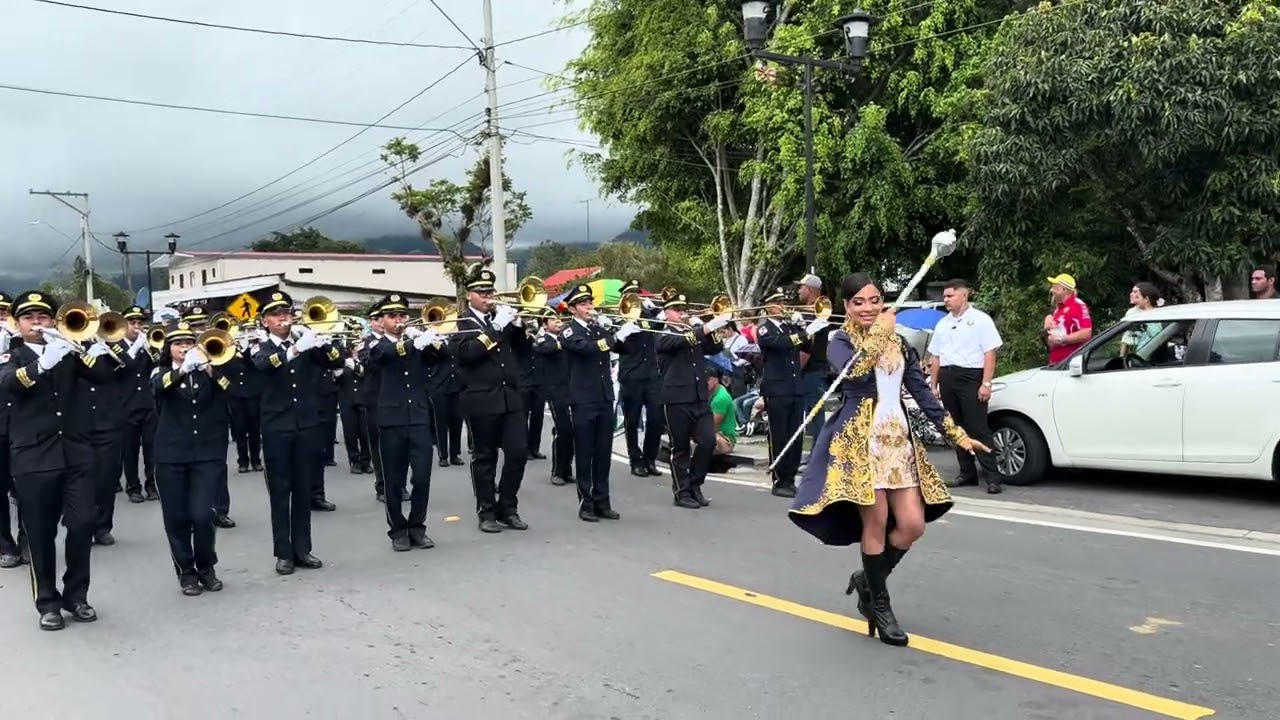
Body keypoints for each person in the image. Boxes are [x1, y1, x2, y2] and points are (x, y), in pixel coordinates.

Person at [788, 274, 990, 647]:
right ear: (846, 306)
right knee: (877, 522)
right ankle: (880, 606)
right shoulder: (839, 340)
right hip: (860, 444)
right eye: (859, 302)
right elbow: (856, 371)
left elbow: (922, 393)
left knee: (913, 524)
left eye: (874, 300)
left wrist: (957, 435)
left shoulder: (898, 343)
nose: (868, 308)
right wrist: (881, 332)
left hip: (898, 442)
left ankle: (868, 580)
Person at [0, 290, 117, 630]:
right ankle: (47, 603)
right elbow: (9, 386)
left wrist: (92, 346)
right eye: (29, 318)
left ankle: (76, 595)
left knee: (82, 524)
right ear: (18, 323)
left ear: (53, 320)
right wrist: (43, 362)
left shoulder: (68, 351)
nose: (37, 323)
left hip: (76, 453)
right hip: (34, 458)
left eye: (43, 317)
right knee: (40, 534)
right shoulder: (12, 355)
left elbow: (104, 377)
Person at [252, 290, 342, 575]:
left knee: (303, 490)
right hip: (277, 427)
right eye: (277, 315)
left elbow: (336, 362)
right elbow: (264, 366)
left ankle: (303, 549)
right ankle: (283, 553)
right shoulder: (258, 345)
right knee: (280, 492)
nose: (283, 319)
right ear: (265, 321)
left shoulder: (306, 344)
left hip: (306, 425)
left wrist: (324, 343)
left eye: (287, 314)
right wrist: (295, 349)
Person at [151, 321, 230, 596]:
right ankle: (186, 572)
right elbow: (158, 388)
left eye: (188, 343)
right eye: (178, 344)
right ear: (169, 349)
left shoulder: (210, 373)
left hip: (205, 454)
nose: (184, 348)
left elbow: (230, 389)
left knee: (202, 514)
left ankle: (207, 567)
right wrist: (183, 370)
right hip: (170, 455)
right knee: (176, 517)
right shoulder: (161, 371)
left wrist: (207, 367)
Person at [450, 266, 531, 534]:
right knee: (485, 458)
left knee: (518, 452)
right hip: (482, 399)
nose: (488, 297)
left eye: (490, 292)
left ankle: (508, 506)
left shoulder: (502, 319)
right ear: (469, 295)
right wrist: (496, 327)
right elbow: (469, 354)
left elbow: (523, 349)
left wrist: (518, 325)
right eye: (482, 292)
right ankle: (486, 511)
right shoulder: (462, 323)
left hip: (510, 397)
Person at [369, 294, 445, 551]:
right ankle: (398, 529)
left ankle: (417, 526)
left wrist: (434, 340)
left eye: (402, 315)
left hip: (419, 418)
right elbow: (387, 355)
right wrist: (416, 342)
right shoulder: (377, 345)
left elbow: (443, 358)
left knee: (422, 477)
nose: (399, 321)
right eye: (392, 316)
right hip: (391, 420)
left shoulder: (415, 342)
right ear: (382, 321)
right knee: (394, 479)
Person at [560, 284, 638, 521]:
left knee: (603, 452)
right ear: (573, 308)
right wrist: (615, 336)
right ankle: (586, 504)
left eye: (590, 303)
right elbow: (587, 350)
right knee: (585, 452)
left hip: (604, 397)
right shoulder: (569, 332)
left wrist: (620, 329)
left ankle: (603, 501)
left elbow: (624, 349)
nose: (589, 307)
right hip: (582, 399)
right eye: (583, 304)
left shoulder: (597, 329)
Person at [926, 279, 1003, 493]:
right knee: (955, 426)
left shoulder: (980, 320)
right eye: (944, 297)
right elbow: (936, 357)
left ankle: (992, 477)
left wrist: (986, 383)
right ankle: (967, 473)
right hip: (948, 376)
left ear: (964, 295)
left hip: (971, 376)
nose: (946, 300)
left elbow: (990, 353)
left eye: (950, 296)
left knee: (978, 427)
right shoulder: (943, 323)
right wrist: (934, 385)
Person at [655, 292, 731, 509]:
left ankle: (695, 483)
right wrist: (704, 328)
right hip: (676, 399)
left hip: (699, 397)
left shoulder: (693, 332)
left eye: (684, 310)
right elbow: (681, 341)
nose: (682, 314)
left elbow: (715, 347)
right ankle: (682, 491)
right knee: (679, 448)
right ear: (667, 313)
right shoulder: (661, 334)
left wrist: (709, 326)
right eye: (677, 310)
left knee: (707, 441)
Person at [756, 288, 828, 498]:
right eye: (778, 302)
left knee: (795, 436)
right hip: (777, 389)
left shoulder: (789, 326)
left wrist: (803, 326)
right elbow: (783, 344)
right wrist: (805, 331)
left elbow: (806, 346)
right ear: (768, 307)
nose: (784, 306)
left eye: (784, 302)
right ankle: (779, 480)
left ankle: (790, 478)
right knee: (779, 436)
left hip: (795, 387)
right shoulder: (765, 329)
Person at [615, 280, 664, 477]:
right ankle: (636, 460)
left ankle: (650, 458)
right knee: (632, 421)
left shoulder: (648, 314)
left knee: (656, 419)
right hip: (631, 376)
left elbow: (659, 324)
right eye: (631, 294)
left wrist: (656, 309)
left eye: (638, 293)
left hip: (652, 374)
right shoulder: (620, 317)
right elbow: (616, 342)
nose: (637, 297)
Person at [120, 305, 161, 505]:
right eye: (132, 323)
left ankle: (152, 485)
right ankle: (133, 487)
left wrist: (150, 349)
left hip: (147, 403)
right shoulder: (115, 346)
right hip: (125, 406)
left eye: (139, 323)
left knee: (152, 447)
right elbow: (119, 369)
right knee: (129, 450)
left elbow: (157, 367)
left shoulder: (148, 345)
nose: (137, 327)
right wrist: (134, 349)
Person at [532, 309, 574, 486]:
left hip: (571, 389)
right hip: (555, 391)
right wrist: (563, 340)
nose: (558, 322)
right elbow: (544, 349)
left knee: (573, 431)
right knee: (562, 430)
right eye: (553, 319)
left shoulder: (565, 338)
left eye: (559, 319)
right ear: (544, 324)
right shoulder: (543, 339)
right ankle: (557, 471)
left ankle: (567, 469)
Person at [1045, 274, 1092, 364]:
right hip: (1057, 363)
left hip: (1071, 363)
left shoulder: (1078, 305)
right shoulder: (1059, 309)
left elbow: (1086, 333)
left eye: (1055, 288)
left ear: (1064, 290)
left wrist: (1061, 339)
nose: (1052, 291)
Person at [706, 368, 738, 456]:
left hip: (724, 439)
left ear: (716, 380)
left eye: (708, 379)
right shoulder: (709, 394)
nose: (704, 382)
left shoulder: (721, 398)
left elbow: (712, 425)